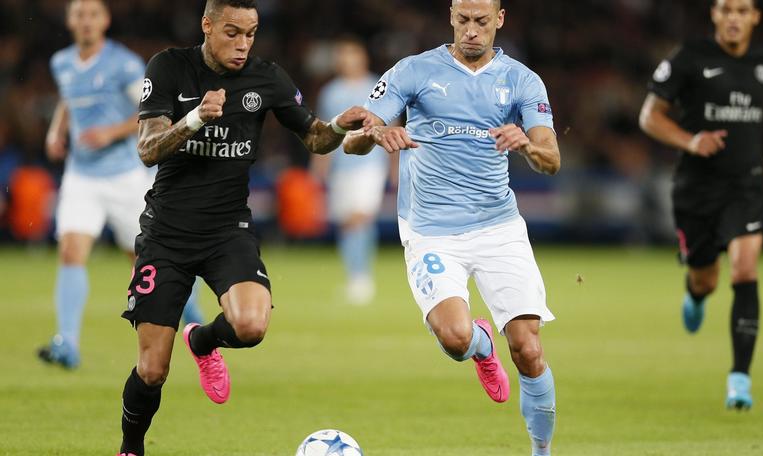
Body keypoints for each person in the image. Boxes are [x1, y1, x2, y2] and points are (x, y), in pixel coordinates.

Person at [115, 0, 368, 454]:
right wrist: (195, 119)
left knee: (251, 325)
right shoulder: (169, 67)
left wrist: (335, 125)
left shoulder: (267, 78)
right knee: (152, 370)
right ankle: (131, 447)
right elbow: (148, 149)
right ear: (207, 25)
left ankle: (203, 340)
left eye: (250, 34)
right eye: (232, 32)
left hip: (227, 229)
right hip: (167, 233)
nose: (243, 44)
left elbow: (314, 137)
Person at [343, 0, 561, 454]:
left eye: (482, 21)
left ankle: (541, 452)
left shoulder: (522, 80)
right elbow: (352, 142)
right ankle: (481, 347)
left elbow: (551, 159)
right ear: (451, 16)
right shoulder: (414, 71)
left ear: (499, 19)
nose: (472, 30)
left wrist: (526, 144)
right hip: (431, 230)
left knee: (528, 349)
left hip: (498, 227)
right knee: (456, 338)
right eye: (463, 20)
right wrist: (378, 133)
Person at [639, 0, 763, 410]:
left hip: (748, 186)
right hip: (696, 190)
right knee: (706, 279)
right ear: (714, 14)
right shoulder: (690, 58)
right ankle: (695, 295)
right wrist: (691, 141)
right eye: (726, 10)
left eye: (742, 11)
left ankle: (739, 380)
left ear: (755, 17)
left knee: (745, 270)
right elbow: (650, 116)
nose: (733, 19)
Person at [38, 0, 205, 370]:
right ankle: (67, 343)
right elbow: (68, 98)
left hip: (125, 177)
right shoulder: (61, 62)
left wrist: (110, 133)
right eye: (79, 14)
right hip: (82, 176)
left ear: (105, 20)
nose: (86, 21)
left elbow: (151, 112)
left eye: (92, 14)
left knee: (149, 262)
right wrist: (56, 131)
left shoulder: (124, 64)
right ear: (70, 21)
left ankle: (194, 320)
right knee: (71, 252)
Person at [311, 37, 390, 305]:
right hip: (340, 165)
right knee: (346, 222)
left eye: (352, 54)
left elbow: (392, 123)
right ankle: (354, 274)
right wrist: (319, 167)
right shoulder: (330, 92)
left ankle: (362, 278)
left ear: (362, 57)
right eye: (343, 56)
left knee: (360, 217)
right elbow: (323, 133)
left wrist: (395, 164)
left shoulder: (376, 86)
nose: (347, 61)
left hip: (370, 163)